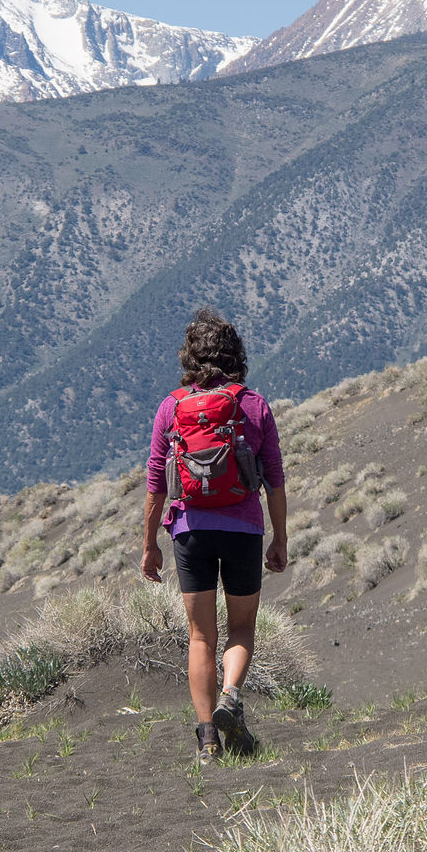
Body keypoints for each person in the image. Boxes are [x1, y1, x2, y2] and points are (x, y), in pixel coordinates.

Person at [141, 307, 288, 762]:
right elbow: (275, 479)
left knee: (200, 636)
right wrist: (279, 539)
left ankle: (207, 740)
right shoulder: (254, 404)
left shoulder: (172, 407)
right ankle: (230, 697)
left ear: (190, 357)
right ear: (235, 355)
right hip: (243, 527)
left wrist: (149, 545)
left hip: (190, 531)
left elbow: (155, 483)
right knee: (242, 625)